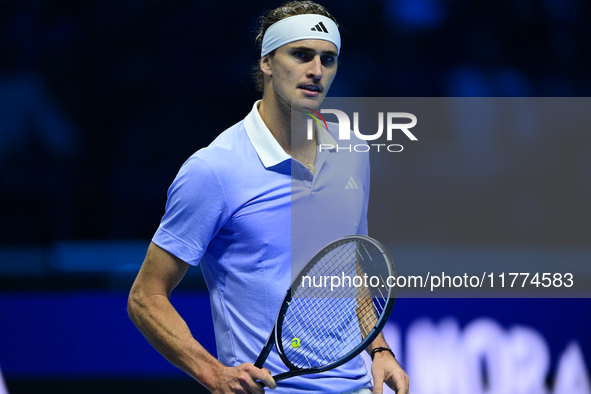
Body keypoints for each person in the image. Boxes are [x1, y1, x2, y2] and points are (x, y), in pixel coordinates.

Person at [128, 1, 410, 393]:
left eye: (328, 59)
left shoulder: (353, 151)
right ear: (267, 62)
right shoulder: (215, 170)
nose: (316, 71)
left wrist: (380, 350)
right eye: (301, 55)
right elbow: (145, 297)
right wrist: (212, 373)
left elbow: (345, 265)